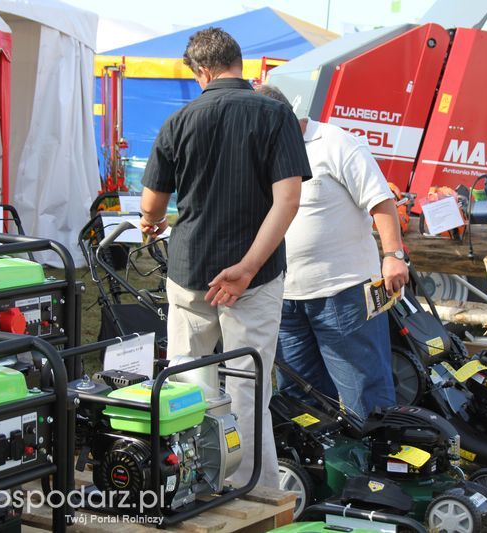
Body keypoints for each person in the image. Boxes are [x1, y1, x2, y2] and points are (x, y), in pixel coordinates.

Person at [139, 28, 311, 489]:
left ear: (202, 71)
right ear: (239, 63)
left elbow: (152, 204)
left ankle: (192, 483)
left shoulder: (177, 122)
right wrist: (249, 268)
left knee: (190, 381)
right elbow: (288, 201)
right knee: (249, 387)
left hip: (190, 269)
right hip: (254, 275)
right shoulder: (276, 114)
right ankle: (254, 494)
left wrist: (152, 221)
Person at [255, 85, 408, 419]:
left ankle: (375, 465)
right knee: (299, 396)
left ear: (279, 118)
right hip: (285, 297)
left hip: (345, 294)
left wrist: (394, 255)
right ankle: (319, 468)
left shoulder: (337, 143)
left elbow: (380, 200)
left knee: (365, 393)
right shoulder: (266, 150)